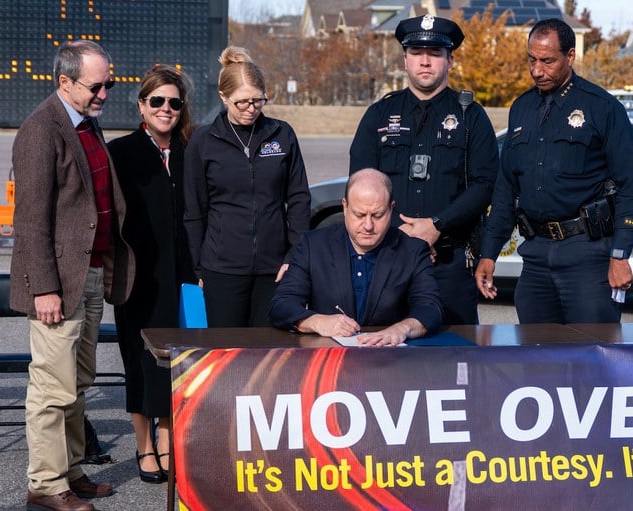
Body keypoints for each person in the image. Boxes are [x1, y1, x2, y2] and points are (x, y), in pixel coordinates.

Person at [10, 40, 135, 511]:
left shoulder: (87, 123)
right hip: (57, 283)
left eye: (110, 83)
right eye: (96, 85)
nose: (105, 92)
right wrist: (44, 288)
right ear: (64, 82)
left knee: (78, 382)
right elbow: (31, 221)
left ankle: (71, 470)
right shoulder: (42, 131)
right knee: (51, 387)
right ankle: (45, 484)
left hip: (90, 272)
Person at [475, 18, 633, 324]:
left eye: (547, 61)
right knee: (537, 362)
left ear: (570, 56)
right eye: (531, 60)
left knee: (592, 359)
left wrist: (620, 255)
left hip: (587, 256)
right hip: (536, 257)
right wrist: (489, 253)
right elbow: (506, 189)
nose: (537, 70)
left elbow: (631, 186)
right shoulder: (521, 109)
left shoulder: (602, 108)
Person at [349, 14, 498, 325]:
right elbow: (360, 185)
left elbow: (485, 185)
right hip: (386, 259)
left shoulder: (470, 117)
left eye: (435, 54)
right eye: (417, 53)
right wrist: (400, 238)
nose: (425, 62)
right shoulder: (379, 114)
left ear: (450, 60)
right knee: (384, 359)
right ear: (405, 59)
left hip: (449, 262)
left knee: (456, 358)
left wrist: (437, 225)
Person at [107, 64, 196, 484]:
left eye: (174, 102)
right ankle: (144, 445)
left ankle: (167, 438)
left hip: (183, 277)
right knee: (139, 361)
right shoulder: (121, 152)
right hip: (136, 278)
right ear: (142, 104)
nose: (166, 109)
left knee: (176, 362)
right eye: (157, 101)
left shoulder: (191, 151)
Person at [184, 46, 310, 327]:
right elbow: (194, 210)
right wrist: (199, 268)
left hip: (274, 269)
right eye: (242, 102)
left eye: (258, 100)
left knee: (268, 355)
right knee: (226, 354)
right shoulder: (203, 142)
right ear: (223, 97)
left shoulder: (282, 134)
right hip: (222, 269)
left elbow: (299, 198)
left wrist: (294, 256)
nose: (251, 109)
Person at [269, 169, 442, 346]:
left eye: (377, 215)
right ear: (345, 206)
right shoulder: (313, 245)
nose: (368, 225)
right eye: (359, 215)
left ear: (391, 208)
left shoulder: (413, 250)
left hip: (390, 358)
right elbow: (281, 305)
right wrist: (317, 322)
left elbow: (430, 308)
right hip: (329, 357)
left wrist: (401, 329)